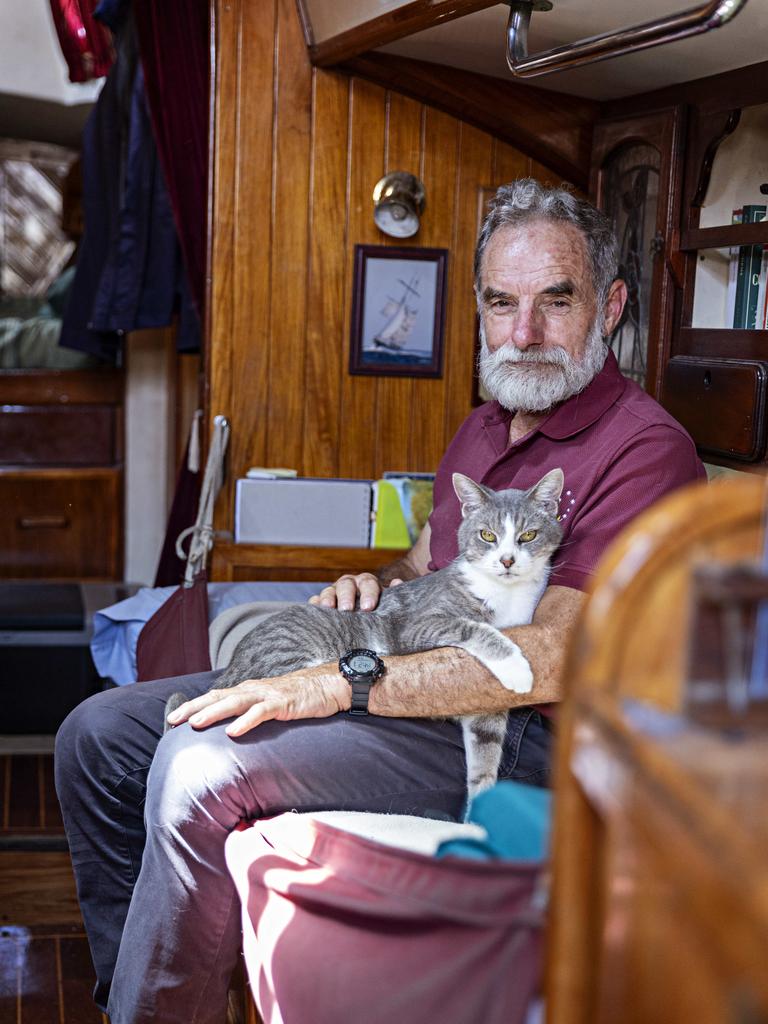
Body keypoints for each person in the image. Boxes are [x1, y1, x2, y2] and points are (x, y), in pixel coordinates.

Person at [55, 179, 705, 1024]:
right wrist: (382, 587)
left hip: (521, 740)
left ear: (611, 306)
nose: (525, 332)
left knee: (203, 765)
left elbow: (553, 660)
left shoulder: (645, 450)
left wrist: (341, 679)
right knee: (96, 737)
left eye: (557, 300)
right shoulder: (482, 427)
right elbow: (425, 562)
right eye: (501, 303)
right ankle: (136, 1001)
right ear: (477, 308)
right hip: (417, 704)